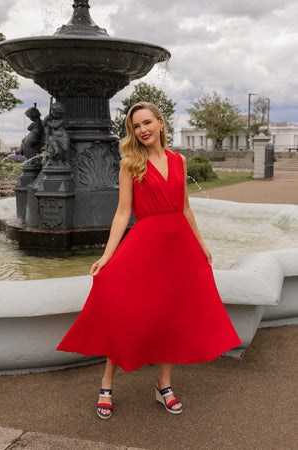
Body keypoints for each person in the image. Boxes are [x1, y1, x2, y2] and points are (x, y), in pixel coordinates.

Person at [57, 101, 241, 419]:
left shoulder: (179, 160)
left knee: (171, 316)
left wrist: (201, 244)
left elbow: (184, 208)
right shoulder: (130, 163)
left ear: (160, 123)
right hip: (146, 246)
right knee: (125, 312)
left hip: (180, 248)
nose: (142, 130)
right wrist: (107, 254)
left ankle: (163, 385)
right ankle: (106, 384)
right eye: (136, 126)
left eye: (146, 123)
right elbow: (122, 212)